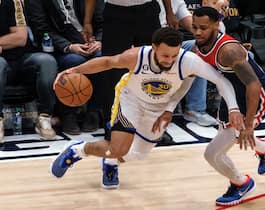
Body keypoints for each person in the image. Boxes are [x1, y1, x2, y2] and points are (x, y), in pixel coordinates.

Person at [49, 27, 245, 190]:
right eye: (165, 55)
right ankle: (77, 150)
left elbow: (220, 80)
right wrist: (74, 70)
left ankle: (110, 161)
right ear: (153, 47)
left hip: (158, 110)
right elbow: (108, 62)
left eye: (174, 55)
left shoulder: (188, 61)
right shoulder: (136, 56)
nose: (169, 60)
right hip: (131, 101)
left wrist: (234, 108)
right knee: (118, 148)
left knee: (137, 155)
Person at [191, 7, 265, 205]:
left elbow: (253, 84)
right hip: (231, 96)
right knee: (228, 139)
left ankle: (241, 183)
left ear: (216, 25)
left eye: (203, 28)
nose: (198, 32)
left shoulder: (228, 51)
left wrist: (249, 124)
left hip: (255, 95)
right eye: (194, 27)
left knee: (213, 153)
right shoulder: (197, 46)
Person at [82, 0, 179, 140]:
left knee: (154, 69)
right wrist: (87, 21)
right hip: (116, 12)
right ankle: (114, 124)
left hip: (147, 11)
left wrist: (169, 12)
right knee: (112, 73)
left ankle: (153, 125)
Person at [25, 0, 105, 135]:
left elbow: (104, 22)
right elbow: (41, 29)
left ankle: (94, 112)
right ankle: (68, 114)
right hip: (60, 48)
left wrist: (99, 40)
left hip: (91, 43)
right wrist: (68, 46)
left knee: (100, 59)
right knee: (75, 60)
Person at [0, 0, 58, 141]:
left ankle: (44, 117)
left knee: (47, 61)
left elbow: (20, 37)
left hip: (22, 59)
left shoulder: (13, 2)